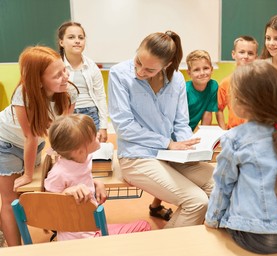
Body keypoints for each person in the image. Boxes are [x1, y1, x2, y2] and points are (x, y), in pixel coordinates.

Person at [205, 60, 277, 254]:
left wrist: (212, 220)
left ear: (242, 104)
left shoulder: (235, 138)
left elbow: (223, 186)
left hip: (257, 238)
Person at [108, 31, 214, 228]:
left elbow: (181, 123)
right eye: (138, 61)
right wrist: (167, 143)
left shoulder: (178, 79)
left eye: (149, 70)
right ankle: (167, 253)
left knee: (218, 186)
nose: (139, 71)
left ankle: (186, 243)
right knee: (197, 201)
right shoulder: (119, 74)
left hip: (170, 155)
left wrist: (188, 148)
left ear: (166, 65)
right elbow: (124, 127)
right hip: (137, 156)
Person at [0, 46, 77, 246]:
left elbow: (63, 131)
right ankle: (15, 253)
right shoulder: (23, 95)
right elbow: (30, 137)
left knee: (26, 194)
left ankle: (6, 229)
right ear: (39, 81)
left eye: (64, 70)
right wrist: (26, 173)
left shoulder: (68, 92)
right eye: (57, 75)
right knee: (10, 200)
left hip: (33, 144)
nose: (65, 77)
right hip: (5, 142)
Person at [42, 114, 151, 241]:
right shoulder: (58, 173)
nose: (98, 135)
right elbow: (49, 207)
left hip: (92, 227)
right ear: (80, 151)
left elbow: (77, 178)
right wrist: (65, 193)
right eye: (93, 137)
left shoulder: (83, 158)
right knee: (144, 226)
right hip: (81, 237)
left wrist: (96, 183)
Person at [57, 21, 109, 142]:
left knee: (93, 153)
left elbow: (100, 96)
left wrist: (103, 127)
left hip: (90, 114)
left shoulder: (92, 66)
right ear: (61, 42)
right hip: (66, 115)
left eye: (81, 37)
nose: (77, 41)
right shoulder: (55, 66)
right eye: (71, 37)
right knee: (69, 152)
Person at [217, 35, 258, 130]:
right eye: (242, 52)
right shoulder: (225, 83)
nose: (246, 56)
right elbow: (219, 109)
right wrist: (223, 132)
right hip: (233, 132)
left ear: (256, 57)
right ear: (233, 54)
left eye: (250, 53)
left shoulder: (260, 83)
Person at [185, 50, 224, 131]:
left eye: (206, 68)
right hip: (174, 131)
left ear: (212, 69)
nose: (202, 73)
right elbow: (177, 120)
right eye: (196, 70)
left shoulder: (213, 86)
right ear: (189, 73)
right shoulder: (184, 89)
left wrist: (203, 136)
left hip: (190, 131)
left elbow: (208, 113)